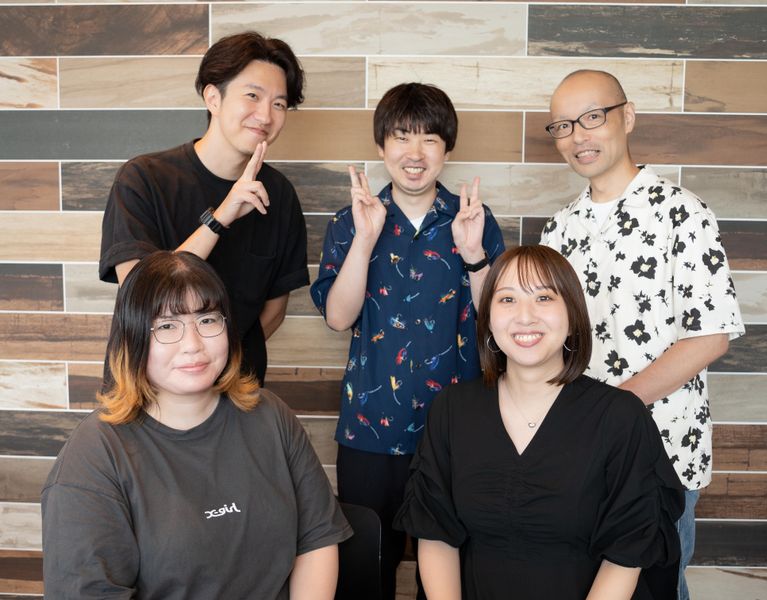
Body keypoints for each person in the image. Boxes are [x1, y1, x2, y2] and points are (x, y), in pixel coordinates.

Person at [539, 69, 745, 599]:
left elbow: (711, 335)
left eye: (592, 117)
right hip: (579, 450)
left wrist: (615, 409)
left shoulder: (684, 213)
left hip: (663, 450)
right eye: (563, 126)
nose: (578, 136)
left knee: (658, 586)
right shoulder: (558, 229)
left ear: (627, 117)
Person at [42, 251, 352, 599]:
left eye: (207, 320)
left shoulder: (270, 415)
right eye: (167, 325)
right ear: (132, 337)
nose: (193, 345)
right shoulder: (94, 456)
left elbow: (316, 538)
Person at [395, 245, 685, 600]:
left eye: (544, 298)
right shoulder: (451, 410)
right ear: (488, 319)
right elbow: (435, 533)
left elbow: (626, 554)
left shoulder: (621, 417)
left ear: (572, 315)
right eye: (507, 299)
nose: (525, 316)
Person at [310, 82, 505, 599]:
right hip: (371, 427)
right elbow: (338, 317)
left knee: (447, 574)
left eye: (429, 140)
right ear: (381, 146)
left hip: (457, 428)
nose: (414, 153)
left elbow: (500, 325)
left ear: (447, 150)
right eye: (401, 136)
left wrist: (474, 256)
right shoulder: (349, 221)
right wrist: (365, 239)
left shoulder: (474, 220)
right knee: (367, 565)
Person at [99, 32, 310, 386]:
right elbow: (141, 295)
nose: (265, 115)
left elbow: (274, 309)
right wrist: (221, 217)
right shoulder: (143, 179)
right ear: (213, 97)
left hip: (236, 394)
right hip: (145, 395)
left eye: (279, 104)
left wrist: (216, 370)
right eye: (253, 96)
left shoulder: (279, 195)